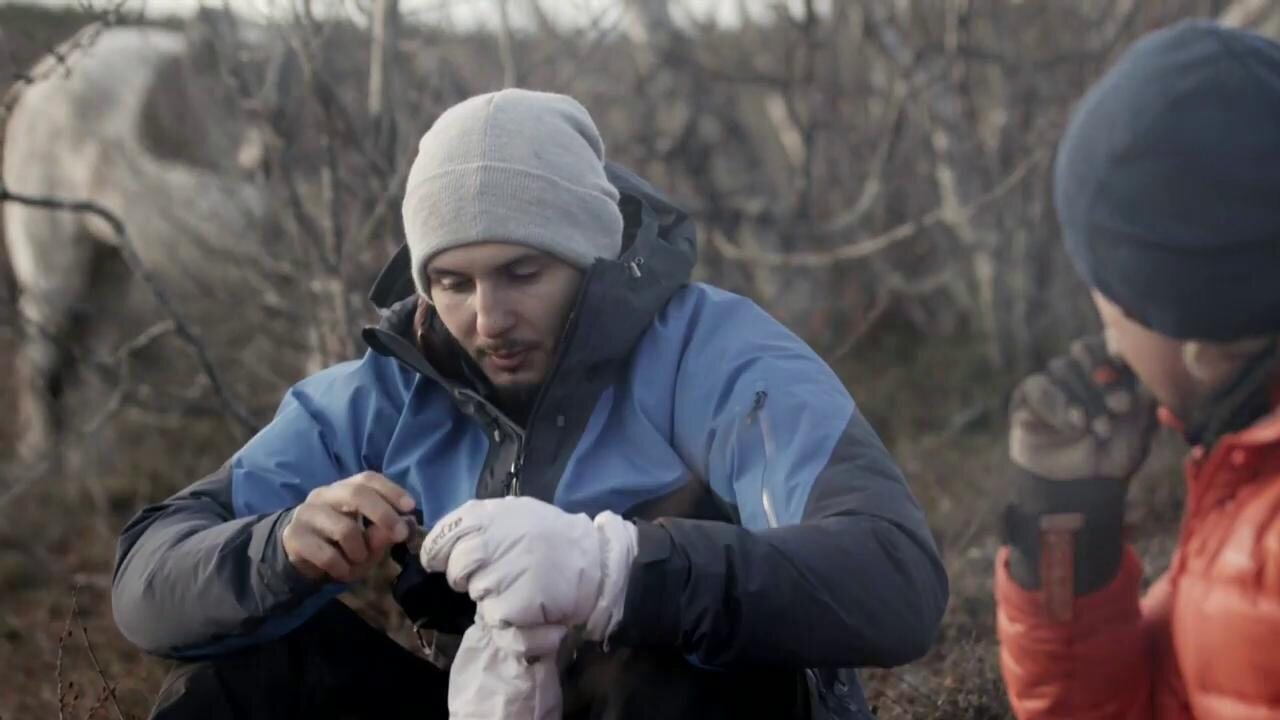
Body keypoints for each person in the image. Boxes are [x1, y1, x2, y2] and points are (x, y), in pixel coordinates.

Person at [111, 88, 946, 719]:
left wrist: (617, 572)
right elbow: (149, 582)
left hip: (701, 708)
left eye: (523, 272)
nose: (489, 317)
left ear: (588, 256)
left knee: (661, 666)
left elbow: (895, 581)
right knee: (234, 685)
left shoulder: (715, 355)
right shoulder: (378, 399)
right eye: (453, 280)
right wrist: (280, 550)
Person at [995, 20, 1280, 720]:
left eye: (1113, 305)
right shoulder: (1248, 468)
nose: (1109, 343)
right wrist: (1067, 539)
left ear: (1184, 320)